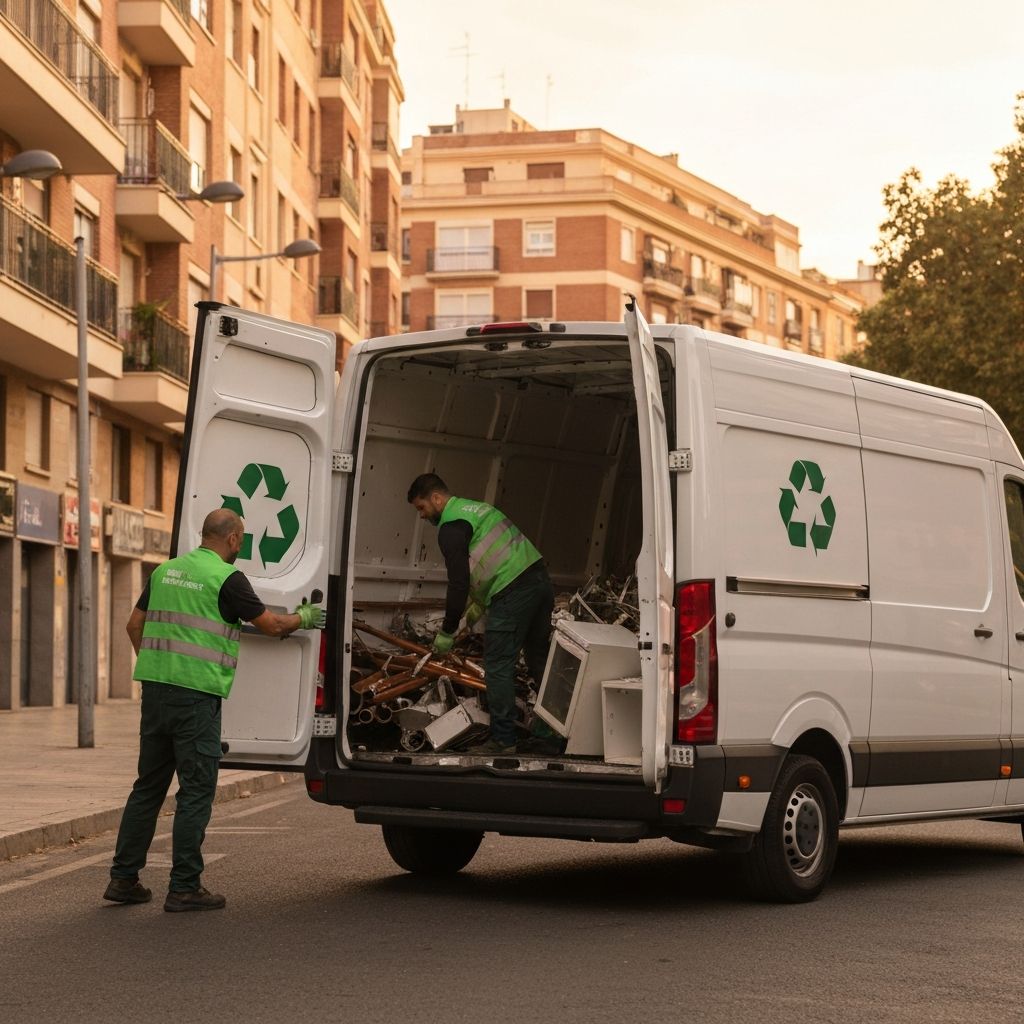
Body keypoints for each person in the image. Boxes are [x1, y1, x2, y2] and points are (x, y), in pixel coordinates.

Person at [103, 508, 325, 912]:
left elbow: (133, 625)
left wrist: (157, 666)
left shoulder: (165, 571)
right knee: (196, 791)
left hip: (156, 693)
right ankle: (184, 887)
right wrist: (304, 617)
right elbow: (272, 626)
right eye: (242, 539)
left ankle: (123, 879)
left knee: (148, 787)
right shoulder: (227, 579)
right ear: (234, 538)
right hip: (195, 699)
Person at [407, 473, 561, 756]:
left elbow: (458, 582)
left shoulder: (450, 527)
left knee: (498, 665)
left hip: (512, 591)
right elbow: (491, 559)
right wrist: (477, 606)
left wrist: (447, 631)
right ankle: (553, 735)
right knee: (539, 659)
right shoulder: (477, 509)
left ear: (436, 498)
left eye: (422, 507)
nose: (422, 515)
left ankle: (503, 741)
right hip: (539, 582)